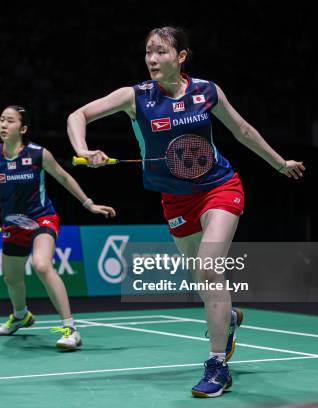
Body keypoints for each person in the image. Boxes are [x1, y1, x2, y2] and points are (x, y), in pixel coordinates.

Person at [66, 26, 305, 396]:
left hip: (219, 187)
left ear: (181, 57)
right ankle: (227, 319)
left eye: (161, 52)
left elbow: (241, 129)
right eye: (148, 52)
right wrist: (84, 150)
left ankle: (216, 365)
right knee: (202, 281)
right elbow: (78, 115)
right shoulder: (136, 97)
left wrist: (278, 163)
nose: (151, 59)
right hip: (175, 200)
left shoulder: (206, 91)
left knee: (210, 266)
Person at [0, 105, 116, 350]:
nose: (3, 125)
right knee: (12, 277)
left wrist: (89, 204)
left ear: (23, 128)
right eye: (1, 120)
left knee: (42, 264)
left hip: (42, 218)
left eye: (10, 121)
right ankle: (21, 316)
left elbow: (63, 177)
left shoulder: (38, 154)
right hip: (13, 223)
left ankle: (70, 329)